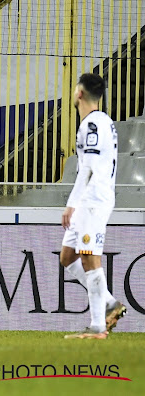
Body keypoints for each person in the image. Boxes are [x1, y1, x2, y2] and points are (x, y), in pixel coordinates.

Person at [61, 73, 127, 339]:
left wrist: (71, 205)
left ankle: (99, 327)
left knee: (89, 257)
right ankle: (111, 303)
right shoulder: (101, 122)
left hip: (93, 199)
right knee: (68, 257)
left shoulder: (91, 125)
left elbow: (87, 169)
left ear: (79, 93)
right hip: (91, 197)